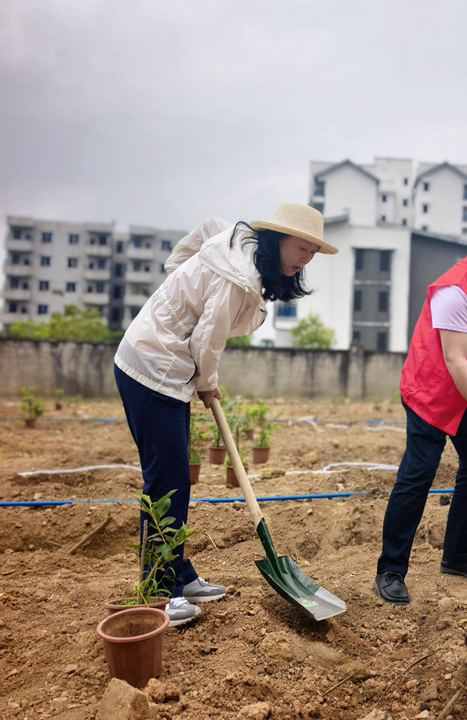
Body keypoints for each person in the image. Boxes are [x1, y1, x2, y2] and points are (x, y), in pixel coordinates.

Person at [114, 203, 338, 626]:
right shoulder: (240, 276)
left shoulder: (236, 241)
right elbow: (208, 338)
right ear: (277, 239)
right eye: (302, 248)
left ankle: (178, 573)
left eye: (313, 252)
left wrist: (180, 279)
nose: (306, 258)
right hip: (151, 367)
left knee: (174, 478)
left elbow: (206, 228)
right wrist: (207, 379)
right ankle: (159, 591)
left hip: (168, 369)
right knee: (167, 481)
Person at [373, 215, 467, 605]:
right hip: (432, 391)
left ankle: (457, 555)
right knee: (417, 475)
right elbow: (455, 360)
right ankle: (390, 570)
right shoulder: (455, 291)